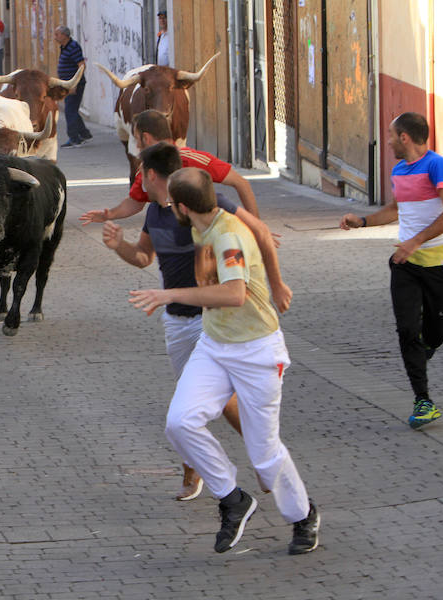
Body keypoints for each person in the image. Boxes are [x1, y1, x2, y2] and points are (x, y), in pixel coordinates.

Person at [129, 157, 320, 556]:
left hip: (257, 351)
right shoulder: (205, 224)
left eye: (171, 205)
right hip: (215, 346)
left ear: (183, 207)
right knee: (181, 423)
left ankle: (303, 516)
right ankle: (233, 499)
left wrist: (170, 295)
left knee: (264, 453)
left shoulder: (227, 236)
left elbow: (234, 294)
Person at [100, 113, 289, 500]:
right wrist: (118, 244)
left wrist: (276, 283)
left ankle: (258, 463)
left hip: (213, 320)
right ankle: (222, 467)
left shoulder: (207, 202)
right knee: (194, 406)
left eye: (140, 173)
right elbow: (142, 259)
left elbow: (262, 232)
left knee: (219, 403)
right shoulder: (153, 212)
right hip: (177, 323)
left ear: (152, 175)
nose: (138, 180)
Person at [339, 112, 443, 429]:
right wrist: (363, 221)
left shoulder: (437, 166)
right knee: (407, 330)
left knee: (435, 334)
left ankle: (428, 347)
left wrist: (417, 241)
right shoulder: (398, 170)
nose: (389, 139)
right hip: (405, 265)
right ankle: (423, 401)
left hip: (442, 266)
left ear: (405, 137)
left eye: (392, 134)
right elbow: (397, 209)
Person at [79, 110, 259, 222]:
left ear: (146, 138)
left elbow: (241, 182)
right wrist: (109, 214)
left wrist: (256, 228)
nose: (137, 145)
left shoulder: (190, 159)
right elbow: (136, 202)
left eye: (136, 138)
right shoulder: (147, 169)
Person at [54, 25, 91, 148]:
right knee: (72, 109)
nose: (55, 37)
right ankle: (84, 133)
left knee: (70, 110)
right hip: (67, 84)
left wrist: (74, 83)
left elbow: (81, 65)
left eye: (57, 34)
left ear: (65, 35)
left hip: (74, 85)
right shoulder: (64, 47)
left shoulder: (73, 47)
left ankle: (74, 138)